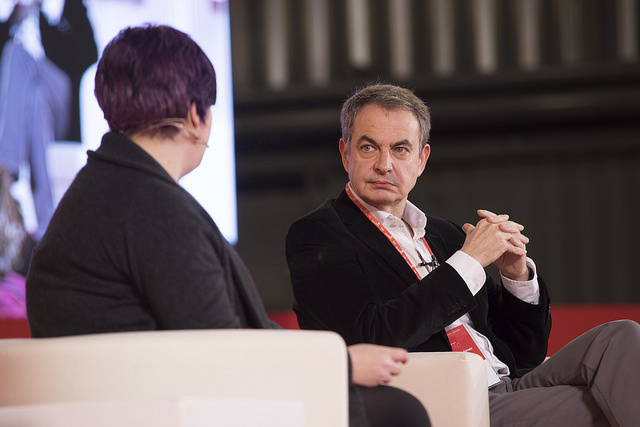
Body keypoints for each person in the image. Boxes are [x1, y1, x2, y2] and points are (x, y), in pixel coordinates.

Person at [25, 26, 430, 427]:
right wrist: (340, 361)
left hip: (127, 405)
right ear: (195, 115)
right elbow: (222, 347)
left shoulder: (101, 188)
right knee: (400, 411)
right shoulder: (153, 209)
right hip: (172, 408)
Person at [286, 83, 640, 426]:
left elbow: (524, 356)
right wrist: (468, 262)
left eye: (400, 149)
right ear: (345, 152)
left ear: (421, 159)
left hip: (508, 389)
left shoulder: (447, 235)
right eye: (368, 148)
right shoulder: (318, 235)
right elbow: (370, 336)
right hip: (444, 403)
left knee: (620, 337)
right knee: (601, 403)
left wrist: (516, 276)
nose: (384, 165)